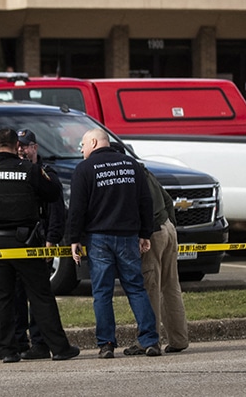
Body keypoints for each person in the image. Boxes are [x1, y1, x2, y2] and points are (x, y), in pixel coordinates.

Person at [0, 127, 80, 364]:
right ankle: (59, 348)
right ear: (17, 147)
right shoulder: (31, 171)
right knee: (41, 296)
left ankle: (6, 349)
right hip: (26, 243)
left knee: (1, 298)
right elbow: (54, 191)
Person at [67, 127, 160, 359]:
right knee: (136, 288)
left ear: (95, 143)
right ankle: (150, 340)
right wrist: (145, 233)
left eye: (83, 144)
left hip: (98, 238)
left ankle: (106, 344)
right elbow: (145, 201)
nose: (81, 148)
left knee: (102, 293)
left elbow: (77, 208)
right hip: (128, 236)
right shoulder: (131, 165)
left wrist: (73, 238)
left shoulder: (84, 169)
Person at [11, 128, 67, 360]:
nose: (22, 150)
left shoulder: (46, 174)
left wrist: (51, 240)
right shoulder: (13, 174)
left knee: (38, 296)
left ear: (35, 147)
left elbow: (56, 211)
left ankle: (40, 343)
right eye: (18, 147)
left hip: (39, 240)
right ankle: (19, 342)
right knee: (15, 294)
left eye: (25, 145)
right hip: (16, 242)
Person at [140, 163, 190, 353]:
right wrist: (171, 228)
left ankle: (150, 341)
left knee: (150, 286)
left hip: (152, 232)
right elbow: (168, 200)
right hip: (167, 227)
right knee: (171, 286)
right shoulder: (147, 172)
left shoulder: (131, 176)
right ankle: (179, 339)